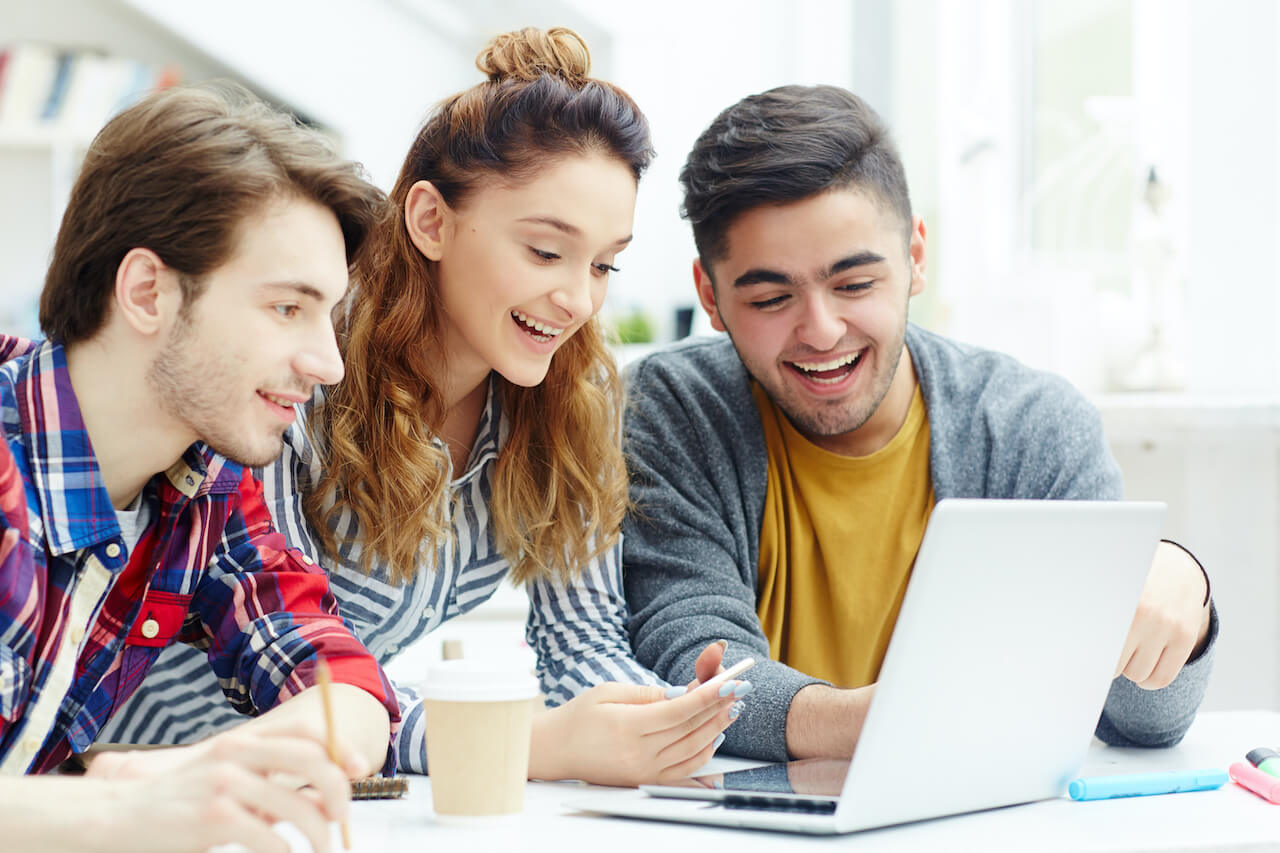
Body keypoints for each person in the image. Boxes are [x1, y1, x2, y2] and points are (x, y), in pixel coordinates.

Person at [101, 27, 745, 787]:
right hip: (130, 766)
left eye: (603, 263)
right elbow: (283, 669)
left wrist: (659, 718)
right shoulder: (302, 368)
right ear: (430, 221)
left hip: (326, 777)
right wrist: (529, 741)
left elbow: (581, 641)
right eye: (545, 251)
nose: (577, 299)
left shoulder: (569, 395)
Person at [621, 84, 1217, 763]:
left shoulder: (1031, 426)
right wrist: (890, 720)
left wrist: (1182, 592)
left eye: (854, 285)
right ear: (711, 297)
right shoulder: (673, 411)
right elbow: (690, 661)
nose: (821, 330)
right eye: (770, 296)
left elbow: (1141, 721)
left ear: (916, 259)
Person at [0, 83, 401, 852]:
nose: (329, 364)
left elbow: (347, 694)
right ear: (147, 290)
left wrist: (197, 773)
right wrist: (120, 813)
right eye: (289, 307)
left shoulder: (203, 489)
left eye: (330, 315)